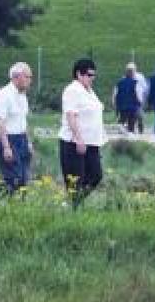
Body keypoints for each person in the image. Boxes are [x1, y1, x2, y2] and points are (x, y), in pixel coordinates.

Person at [59, 58, 106, 206]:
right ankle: (73, 205)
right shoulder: (72, 90)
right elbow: (71, 115)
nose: (92, 78)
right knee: (76, 178)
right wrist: (79, 139)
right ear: (79, 74)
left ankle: (73, 202)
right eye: (89, 75)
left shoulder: (90, 91)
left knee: (96, 175)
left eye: (94, 75)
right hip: (75, 142)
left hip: (92, 142)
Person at [0, 62, 34, 193]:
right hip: (8, 138)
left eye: (30, 77)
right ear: (16, 77)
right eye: (27, 77)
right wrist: (6, 147)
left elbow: (23, 121)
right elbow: (0, 122)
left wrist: (29, 143)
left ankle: (19, 208)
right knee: (13, 178)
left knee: (23, 179)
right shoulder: (4, 94)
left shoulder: (23, 96)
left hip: (21, 138)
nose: (29, 80)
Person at [112, 64, 141, 134]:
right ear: (133, 74)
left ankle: (122, 132)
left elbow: (115, 94)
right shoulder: (135, 83)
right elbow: (137, 94)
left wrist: (114, 103)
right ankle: (130, 133)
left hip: (122, 105)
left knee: (122, 119)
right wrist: (139, 102)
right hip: (132, 106)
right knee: (131, 122)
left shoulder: (119, 83)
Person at [132, 64, 148, 134]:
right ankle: (132, 128)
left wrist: (144, 96)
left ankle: (140, 128)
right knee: (132, 115)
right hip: (131, 99)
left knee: (139, 115)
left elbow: (145, 87)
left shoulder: (140, 76)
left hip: (139, 98)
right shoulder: (125, 77)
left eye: (132, 70)